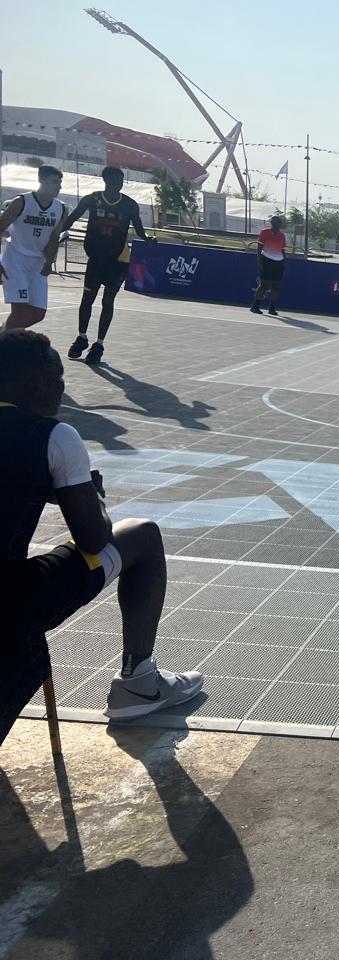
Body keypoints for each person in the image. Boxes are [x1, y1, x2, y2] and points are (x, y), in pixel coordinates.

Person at [0, 330, 203, 728]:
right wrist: (93, 498)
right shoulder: (53, 437)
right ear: (34, 383)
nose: (62, 389)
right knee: (142, 535)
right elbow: (94, 539)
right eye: (58, 379)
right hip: (10, 601)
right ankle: (138, 683)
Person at [60, 166, 152, 365]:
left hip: (118, 260)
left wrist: (147, 238)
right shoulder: (92, 199)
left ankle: (99, 345)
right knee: (87, 299)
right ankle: (81, 337)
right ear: (106, 180)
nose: (118, 184)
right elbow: (72, 218)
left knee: (108, 301)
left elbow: (139, 229)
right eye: (115, 180)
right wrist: (54, 233)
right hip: (96, 259)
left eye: (121, 181)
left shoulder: (129, 204)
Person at [0, 165, 67, 330]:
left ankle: (5, 333)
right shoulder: (21, 202)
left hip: (38, 263)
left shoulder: (61, 208)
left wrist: (49, 262)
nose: (58, 186)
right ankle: (8, 340)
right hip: (15, 260)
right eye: (54, 182)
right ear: (41, 180)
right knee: (20, 311)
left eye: (60, 183)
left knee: (38, 313)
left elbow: (54, 238)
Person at [249, 216, 288, 316]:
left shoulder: (282, 235)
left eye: (279, 223)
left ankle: (272, 309)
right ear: (272, 223)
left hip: (278, 262)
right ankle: (255, 306)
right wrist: (259, 261)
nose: (277, 225)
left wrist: (284, 264)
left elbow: (282, 250)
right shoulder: (264, 232)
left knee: (275, 286)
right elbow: (260, 246)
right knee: (264, 284)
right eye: (275, 223)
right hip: (266, 260)